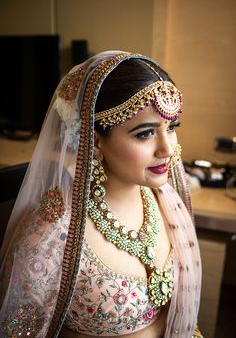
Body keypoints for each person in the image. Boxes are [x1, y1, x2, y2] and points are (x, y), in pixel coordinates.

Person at [0, 51, 203, 338]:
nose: (167, 149)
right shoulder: (52, 234)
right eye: (145, 134)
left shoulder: (166, 199)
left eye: (171, 128)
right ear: (94, 141)